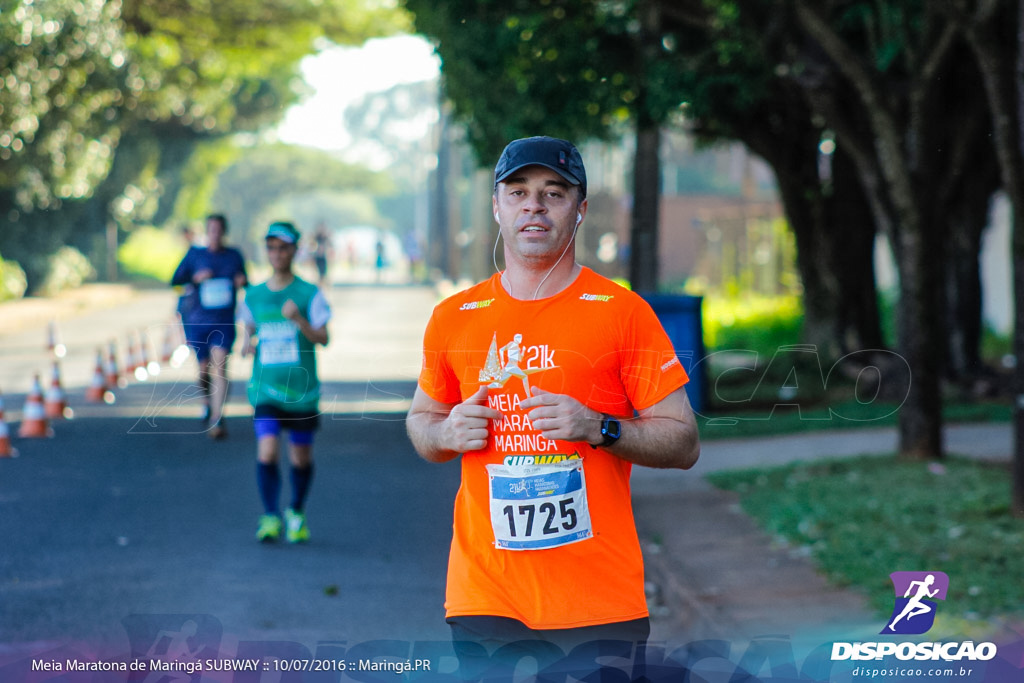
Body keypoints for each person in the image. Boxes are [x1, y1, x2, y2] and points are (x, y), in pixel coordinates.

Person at [405, 136, 701, 678]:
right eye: (517, 192)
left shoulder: (621, 312)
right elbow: (422, 423)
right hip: (485, 596)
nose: (533, 206)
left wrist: (599, 427)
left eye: (553, 193)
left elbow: (683, 442)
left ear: (580, 209)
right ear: (497, 207)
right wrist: (447, 433)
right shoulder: (455, 317)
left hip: (598, 603)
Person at [238, 221, 330, 543]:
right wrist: (247, 343)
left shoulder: (309, 293)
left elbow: (324, 337)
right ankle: (269, 516)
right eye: (272, 248)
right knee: (267, 451)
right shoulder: (254, 295)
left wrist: (299, 320)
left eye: (283, 248)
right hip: (265, 389)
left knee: (300, 458)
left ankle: (296, 511)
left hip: (301, 393)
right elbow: (248, 329)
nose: (277, 254)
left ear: (294, 251)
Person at [170, 214, 248, 439]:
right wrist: (196, 278)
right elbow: (175, 280)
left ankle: (217, 416)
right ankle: (207, 401)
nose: (215, 234)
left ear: (224, 232)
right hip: (198, 320)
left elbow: (246, 281)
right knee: (204, 371)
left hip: (223, 320)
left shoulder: (234, 256)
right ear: (207, 232)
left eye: (219, 230)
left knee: (220, 365)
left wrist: (241, 281)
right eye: (211, 230)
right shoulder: (195, 255)